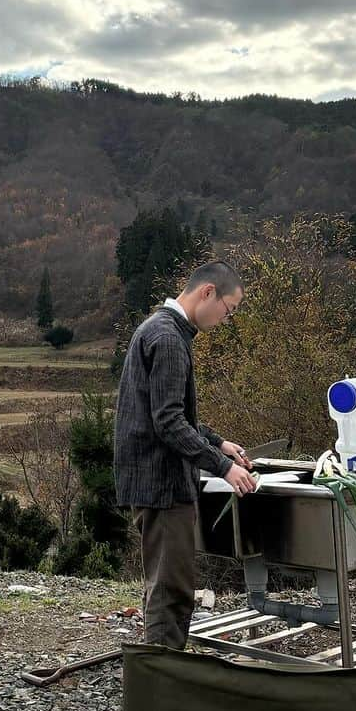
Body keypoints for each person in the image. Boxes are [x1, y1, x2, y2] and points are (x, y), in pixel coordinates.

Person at [113, 261, 256, 649]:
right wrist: (222, 466)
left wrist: (218, 441)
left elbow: (172, 413)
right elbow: (169, 423)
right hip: (161, 483)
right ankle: (162, 681)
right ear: (207, 292)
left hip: (152, 479)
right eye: (228, 311)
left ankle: (160, 674)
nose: (226, 320)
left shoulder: (159, 330)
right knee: (171, 590)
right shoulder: (169, 338)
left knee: (164, 583)